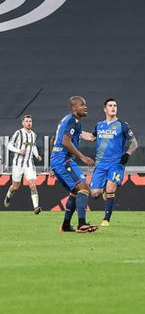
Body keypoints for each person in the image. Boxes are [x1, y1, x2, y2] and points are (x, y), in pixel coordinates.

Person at [50, 96, 98, 233]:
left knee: (75, 191)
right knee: (83, 187)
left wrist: (53, 160)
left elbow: (54, 140)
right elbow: (65, 141)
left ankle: (65, 225)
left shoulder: (67, 119)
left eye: (85, 104)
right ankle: (82, 224)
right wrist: (82, 157)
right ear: (74, 108)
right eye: (82, 105)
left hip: (59, 160)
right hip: (63, 160)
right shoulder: (73, 121)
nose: (85, 107)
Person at [89, 98, 138, 227]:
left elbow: (134, 143)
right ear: (105, 109)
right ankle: (103, 189)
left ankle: (106, 219)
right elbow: (91, 137)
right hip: (100, 164)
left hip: (116, 163)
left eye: (115, 105)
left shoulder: (123, 125)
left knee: (111, 189)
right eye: (110, 105)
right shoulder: (99, 125)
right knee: (95, 194)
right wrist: (75, 132)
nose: (113, 107)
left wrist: (127, 154)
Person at [4, 115, 43, 213]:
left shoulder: (33, 134)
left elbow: (33, 146)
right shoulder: (18, 133)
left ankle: (36, 207)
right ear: (23, 123)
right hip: (18, 163)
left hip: (29, 163)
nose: (29, 123)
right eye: (27, 121)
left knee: (33, 185)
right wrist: (18, 151)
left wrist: (37, 155)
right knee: (15, 186)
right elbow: (9, 145)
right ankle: (9, 194)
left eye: (30, 121)